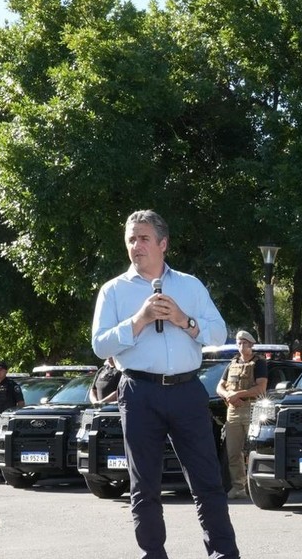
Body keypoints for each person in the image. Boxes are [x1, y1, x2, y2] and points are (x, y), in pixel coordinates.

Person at [91, 209, 238, 559]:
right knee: (144, 485)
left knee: (207, 481)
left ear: (163, 243)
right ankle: (153, 554)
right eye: (131, 239)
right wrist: (139, 320)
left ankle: (223, 554)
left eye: (143, 238)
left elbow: (219, 333)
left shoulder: (189, 285)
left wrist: (183, 319)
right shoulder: (113, 291)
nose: (136, 246)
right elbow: (100, 345)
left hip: (187, 390)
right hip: (139, 392)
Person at [216, 330, 268, 500]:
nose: (241, 346)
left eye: (244, 343)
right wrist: (228, 395)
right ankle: (238, 487)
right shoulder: (232, 363)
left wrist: (238, 395)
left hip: (252, 410)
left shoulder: (259, 363)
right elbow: (220, 387)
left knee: (254, 450)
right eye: (239, 343)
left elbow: (261, 389)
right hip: (233, 411)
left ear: (251, 344)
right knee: (233, 452)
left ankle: (257, 486)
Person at [0, 361, 25, 437]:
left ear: (5, 371)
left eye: (0, 369)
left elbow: (21, 404)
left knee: (4, 443)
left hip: (6, 420)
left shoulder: (12, 385)